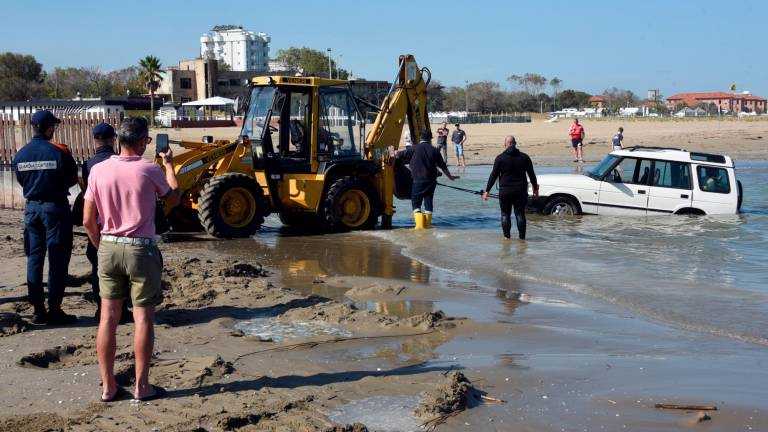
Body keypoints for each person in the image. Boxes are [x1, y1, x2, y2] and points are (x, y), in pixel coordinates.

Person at [83, 117, 180, 402]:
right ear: (141, 142)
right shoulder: (149, 168)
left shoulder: (98, 170)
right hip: (140, 247)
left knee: (108, 318)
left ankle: (108, 387)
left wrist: (101, 246)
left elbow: (88, 220)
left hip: (109, 246)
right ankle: (141, 386)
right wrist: (170, 165)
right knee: (143, 319)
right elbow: (173, 198)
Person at [12, 110, 78, 325]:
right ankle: (55, 309)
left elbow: (21, 180)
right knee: (58, 260)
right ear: (50, 128)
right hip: (55, 208)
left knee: (34, 258)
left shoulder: (21, 154)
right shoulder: (58, 152)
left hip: (31, 209)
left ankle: (38, 310)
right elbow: (70, 179)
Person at [82, 123, 132, 323]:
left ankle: (101, 308)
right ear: (114, 139)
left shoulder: (88, 165)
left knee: (98, 268)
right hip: (121, 222)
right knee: (123, 268)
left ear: (95, 141)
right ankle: (124, 308)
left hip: (97, 222)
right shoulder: (121, 161)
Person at [398, 130, 459, 228]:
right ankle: (427, 226)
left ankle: (419, 227)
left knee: (416, 203)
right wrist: (450, 177)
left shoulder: (414, 148)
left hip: (417, 181)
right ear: (430, 139)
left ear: (420, 138)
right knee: (428, 202)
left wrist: (390, 152)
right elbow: (443, 166)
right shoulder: (434, 150)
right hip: (431, 182)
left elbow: (399, 155)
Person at [483, 136, 538, 240]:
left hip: (505, 191)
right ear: (515, 143)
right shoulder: (525, 157)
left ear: (505, 144)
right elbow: (532, 175)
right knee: (520, 214)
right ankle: (522, 239)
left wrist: (487, 191)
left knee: (505, 214)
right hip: (520, 191)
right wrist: (535, 189)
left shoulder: (500, 158)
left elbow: (493, 175)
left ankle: (507, 238)